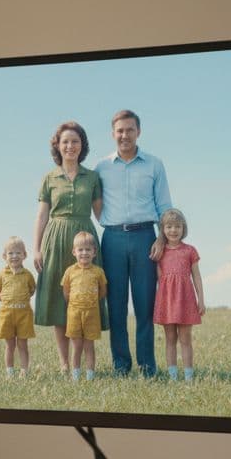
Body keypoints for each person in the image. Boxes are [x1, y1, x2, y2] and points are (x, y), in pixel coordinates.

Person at [94, 110, 173, 377]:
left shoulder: (154, 164)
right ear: (112, 133)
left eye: (129, 129)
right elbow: (97, 203)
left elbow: (164, 206)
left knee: (144, 305)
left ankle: (147, 366)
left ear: (138, 131)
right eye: (119, 130)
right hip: (112, 239)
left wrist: (161, 239)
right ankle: (121, 365)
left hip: (145, 239)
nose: (124, 135)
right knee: (115, 306)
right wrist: (108, 222)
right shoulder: (101, 167)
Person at [33, 121, 106, 375]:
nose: (70, 146)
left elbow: (101, 214)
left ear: (82, 145)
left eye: (75, 141)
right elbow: (42, 216)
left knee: (84, 298)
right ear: (58, 146)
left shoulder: (93, 177)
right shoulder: (49, 178)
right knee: (58, 300)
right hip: (55, 238)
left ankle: (86, 364)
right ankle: (65, 363)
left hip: (85, 239)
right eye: (65, 141)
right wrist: (37, 249)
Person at [152, 208, 204, 381]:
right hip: (167, 301)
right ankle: (173, 377)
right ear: (163, 229)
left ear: (183, 228)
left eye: (177, 227)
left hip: (185, 300)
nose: (173, 230)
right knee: (170, 339)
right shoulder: (159, 251)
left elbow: (196, 276)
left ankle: (189, 377)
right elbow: (159, 279)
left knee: (185, 339)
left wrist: (201, 300)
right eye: (169, 227)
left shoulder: (190, 251)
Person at [61, 231, 108, 381]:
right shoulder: (70, 271)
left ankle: (90, 376)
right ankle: (75, 376)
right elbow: (66, 291)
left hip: (92, 314)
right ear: (74, 252)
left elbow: (103, 291)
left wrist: (91, 302)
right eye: (80, 250)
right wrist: (76, 303)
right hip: (74, 313)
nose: (84, 253)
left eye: (88, 249)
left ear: (94, 252)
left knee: (89, 346)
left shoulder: (98, 272)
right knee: (77, 347)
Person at [0, 236, 36, 378]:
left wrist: (21, 300)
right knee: (10, 345)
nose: (14, 256)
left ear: (24, 255)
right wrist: (6, 302)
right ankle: (9, 372)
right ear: (4, 256)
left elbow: (32, 289)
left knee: (23, 344)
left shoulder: (28, 275)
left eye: (18, 253)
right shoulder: (2, 275)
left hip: (24, 314)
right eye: (10, 253)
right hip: (7, 314)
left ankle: (24, 371)